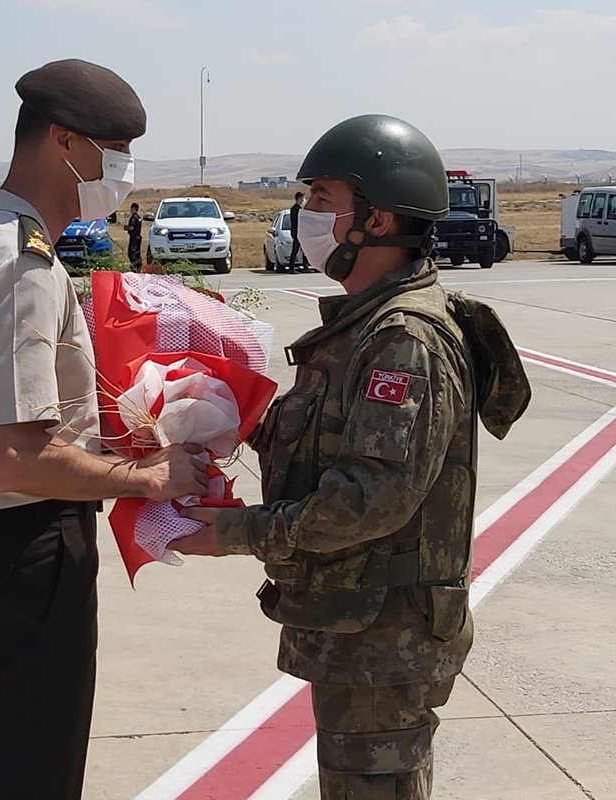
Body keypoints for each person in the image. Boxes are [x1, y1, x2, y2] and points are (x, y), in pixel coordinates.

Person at [174, 114, 532, 800]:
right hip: (360, 629)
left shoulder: (404, 342)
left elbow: (369, 498)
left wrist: (232, 534)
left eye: (322, 199)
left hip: (384, 638)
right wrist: (224, 409)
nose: (304, 214)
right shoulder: (360, 327)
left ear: (379, 219)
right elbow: (322, 445)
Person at [0, 59, 206, 800]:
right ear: (64, 143)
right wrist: (148, 478)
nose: (124, 171)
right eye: (115, 152)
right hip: (27, 551)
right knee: (31, 779)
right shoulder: (19, 263)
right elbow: (16, 457)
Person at [288, 190, 304, 271]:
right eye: (302, 198)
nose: (303, 200)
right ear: (299, 198)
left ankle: (305, 266)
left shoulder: (294, 208)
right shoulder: (297, 209)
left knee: (303, 249)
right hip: (297, 232)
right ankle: (291, 267)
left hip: (296, 232)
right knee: (295, 250)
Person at [125, 201, 143, 269]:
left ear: (134, 208)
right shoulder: (139, 217)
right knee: (137, 253)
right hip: (138, 237)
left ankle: (135, 266)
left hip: (134, 237)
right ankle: (138, 265)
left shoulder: (134, 217)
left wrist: (126, 227)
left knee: (132, 253)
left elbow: (132, 227)